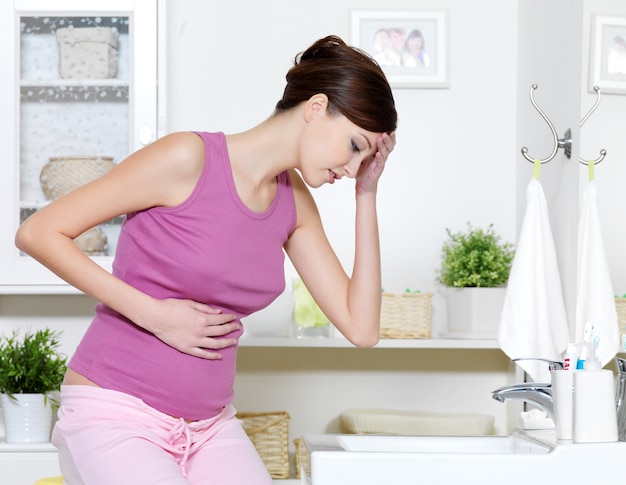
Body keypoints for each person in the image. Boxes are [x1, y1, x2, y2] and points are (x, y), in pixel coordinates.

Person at [15, 35, 397, 484]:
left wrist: (366, 194)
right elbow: (38, 231)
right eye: (355, 146)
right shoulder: (188, 158)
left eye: (365, 156)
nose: (353, 167)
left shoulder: (295, 204)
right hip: (115, 410)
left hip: (209, 427)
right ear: (315, 107)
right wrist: (153, 314)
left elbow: (362, 327)